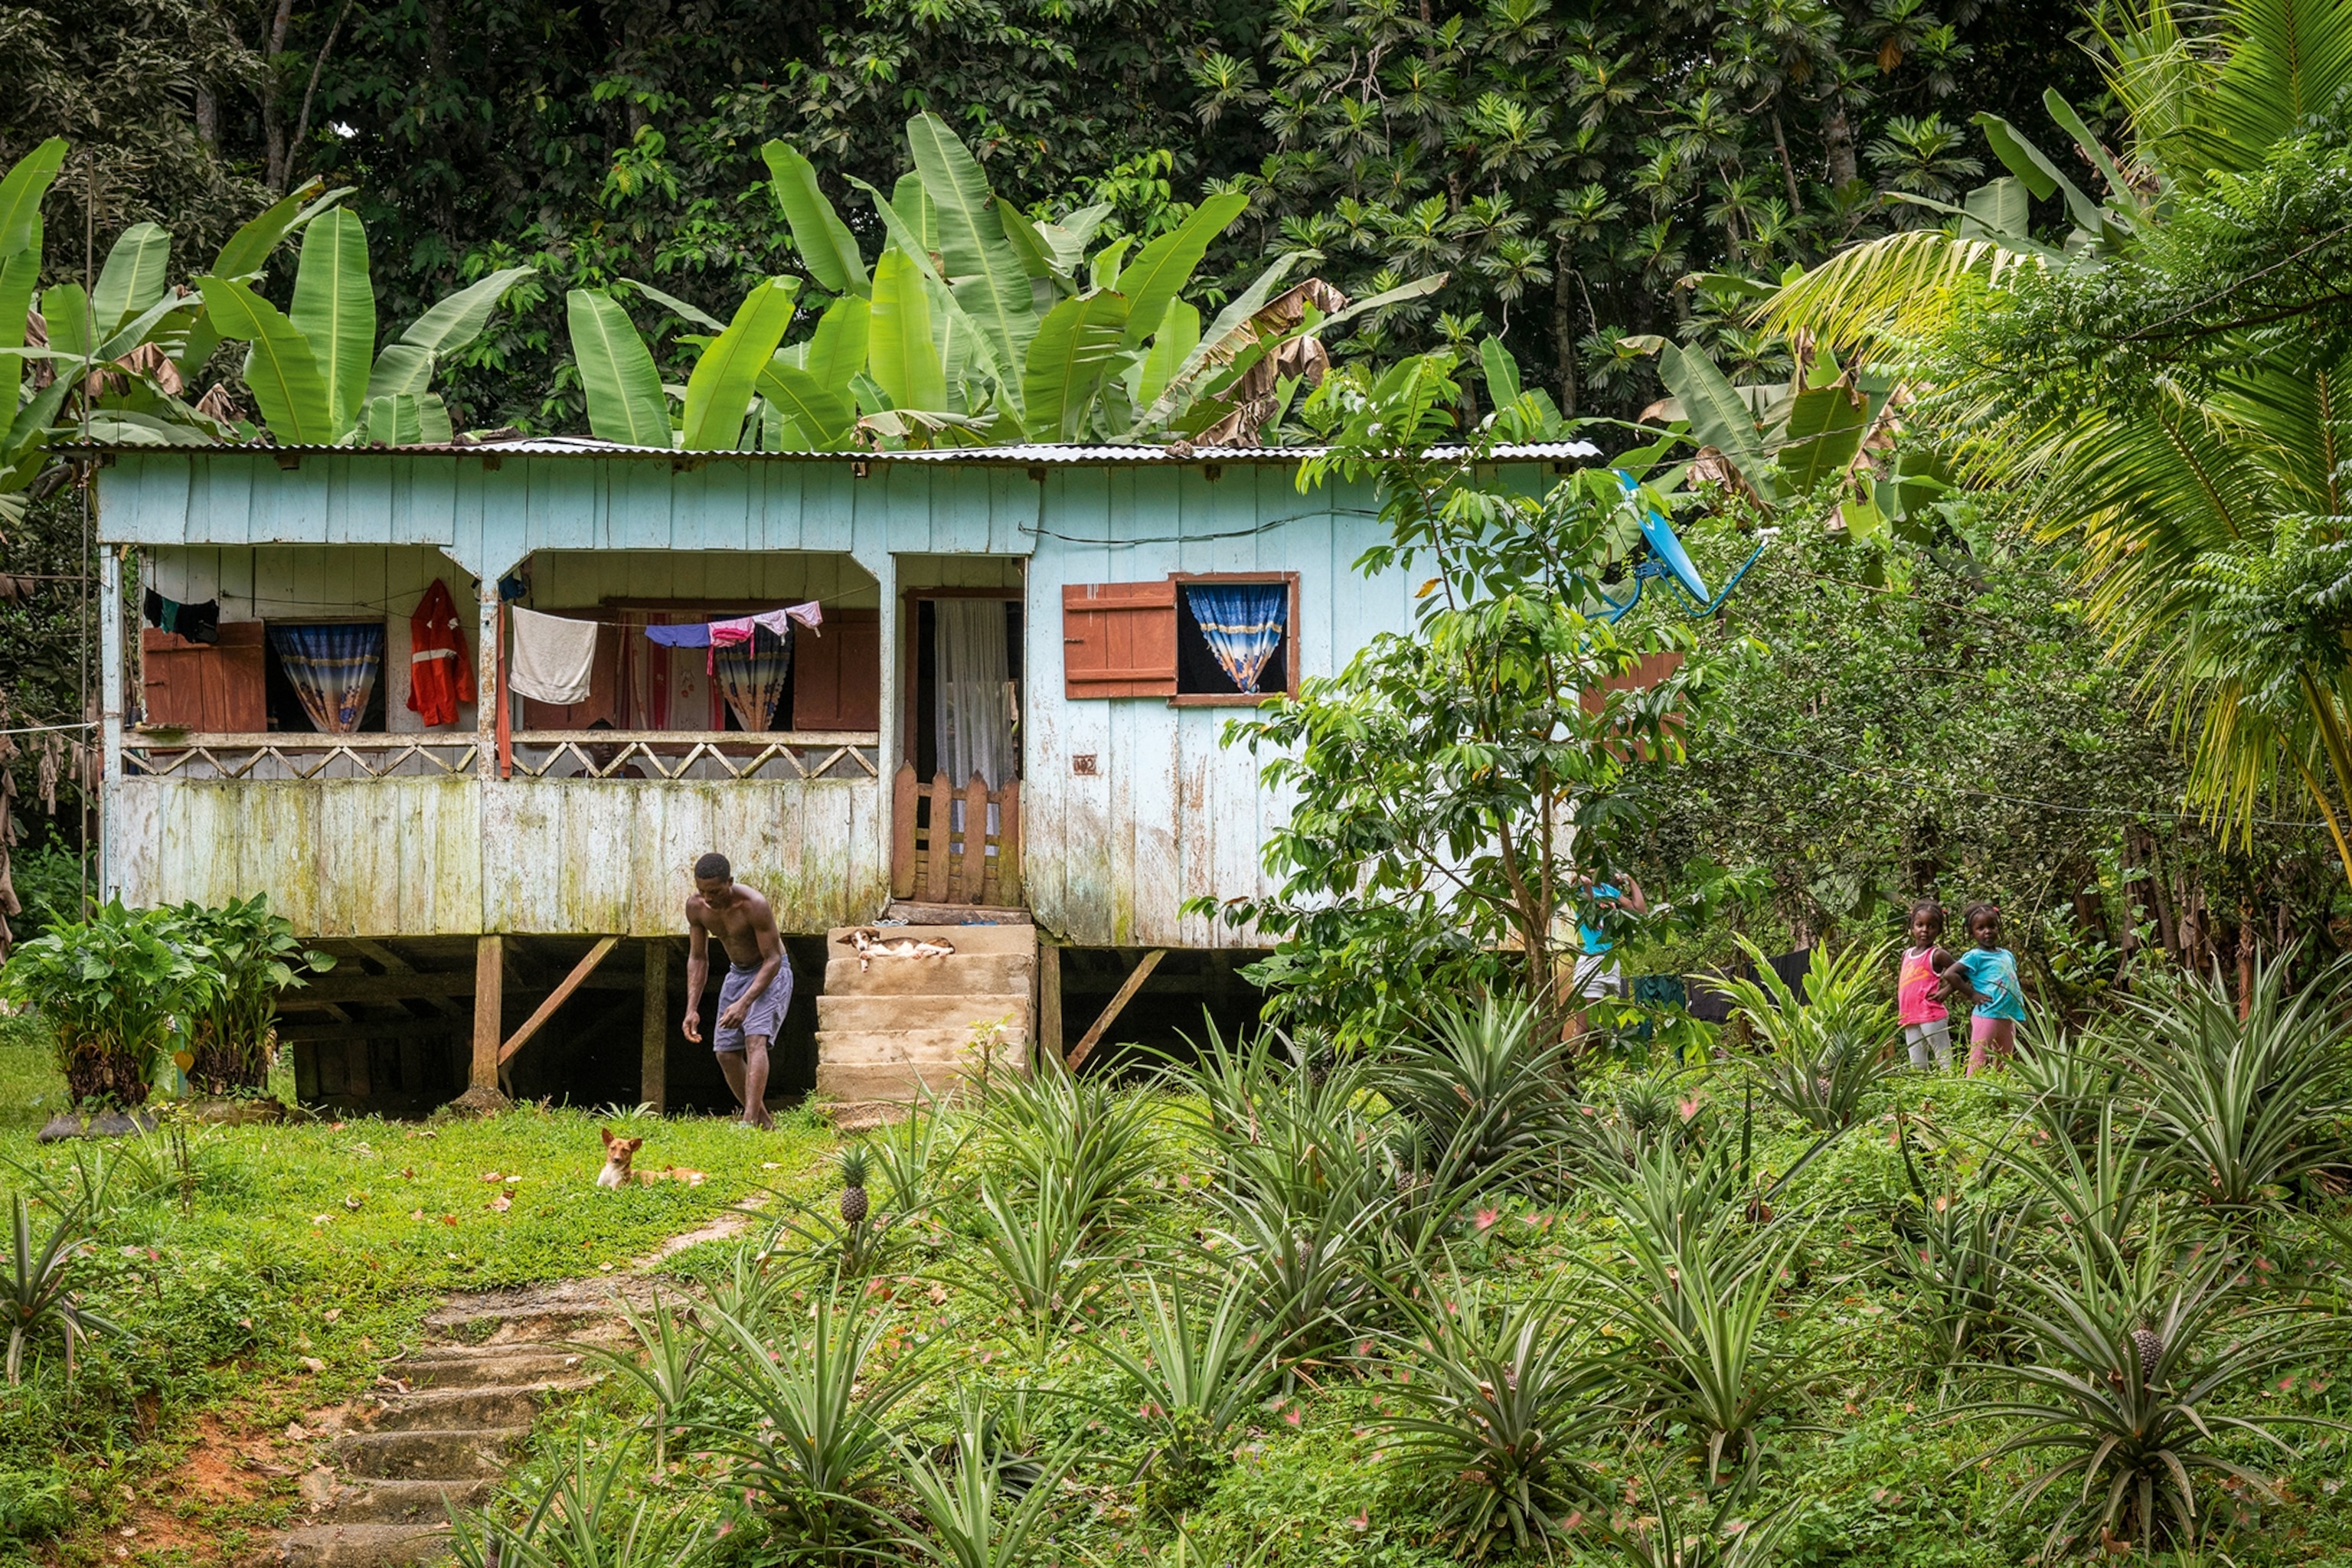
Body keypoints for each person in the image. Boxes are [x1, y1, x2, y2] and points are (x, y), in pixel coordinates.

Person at [682, 851, 788, 1129]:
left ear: (729, 882)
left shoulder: (753, 905)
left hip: (770, 971)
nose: (708, 898)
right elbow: (698, 958)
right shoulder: (696, 907)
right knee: (726, 1053)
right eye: (702, 890)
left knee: (755, 1041)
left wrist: (744, 1003)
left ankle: (748, 1121)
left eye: (715, 891)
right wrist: (691, 1008)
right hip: (737, 973)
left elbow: (773, 958)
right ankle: (765, 1122)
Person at [1939, 902, 2025, 1076]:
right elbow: (1950, 974)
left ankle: (2001, 1098)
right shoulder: (1975, 956)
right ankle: (1971, 1093)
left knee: (2005, 1059)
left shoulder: (2007, 954)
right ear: (1972, 933)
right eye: (1980, 928)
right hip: (1987, 1015)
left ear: (1998, 928)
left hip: (2008, 1017)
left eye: (1992, 926)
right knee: (1978, 1058)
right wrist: (1973, 994)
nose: (1987, 931)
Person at [1567, 874, 1647, 1040]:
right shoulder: (1578, 890)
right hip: (1592, 959)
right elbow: (1590, 913)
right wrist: (1587, 885)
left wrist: (1631, 880)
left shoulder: (1608, 890)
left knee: (1603, 1029)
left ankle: (1594, 1064)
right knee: (1584, 1027)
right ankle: (1573, 1063)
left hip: (1610, 961)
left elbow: (1640, 912)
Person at [1896, 899, 1956, 1072]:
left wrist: (1946, 991)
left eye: (1931, 926)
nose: (1924, 930)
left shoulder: (1937, 955)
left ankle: (1953, 1088)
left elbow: (1962, 973)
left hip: (1931, 1014)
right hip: (1909, 1015)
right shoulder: (1906, 954)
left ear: (1938, 930)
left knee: (1944, 1058)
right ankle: (1922, 1096)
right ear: (1912, 927)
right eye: (1919, 925)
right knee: (1917, 1064)